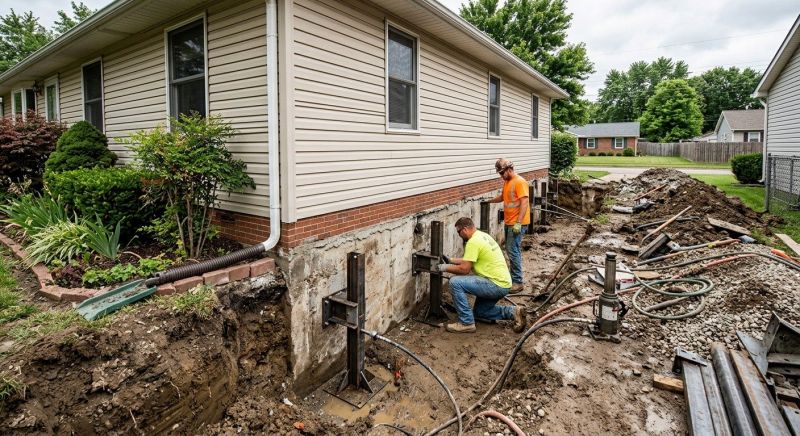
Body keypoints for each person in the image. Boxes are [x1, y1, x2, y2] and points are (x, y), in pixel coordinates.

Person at [437, 217, 527, 333]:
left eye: (458, 232)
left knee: (455, 282)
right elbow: (469, 259)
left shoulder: (473, 242)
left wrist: (443, 268)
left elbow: (465, 269)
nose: (459, 235)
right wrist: (451, 260)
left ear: (464, 230)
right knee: (480, 312)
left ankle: (466, 323)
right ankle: (514, 312)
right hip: (503, 283)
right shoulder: (482, 236)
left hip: (494, 284)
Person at [486, 158, 529, 293]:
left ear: (509, 169)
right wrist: (489, 201)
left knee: (512, 251)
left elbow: (524, 202)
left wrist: (518, 222)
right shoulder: (507, 182)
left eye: (502, 173)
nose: (501, 176)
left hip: (516, 224)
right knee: (512, 250)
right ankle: (514, 278)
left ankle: (517, 282)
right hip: (509, 222)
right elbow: (503, 197)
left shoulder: (519, 182)